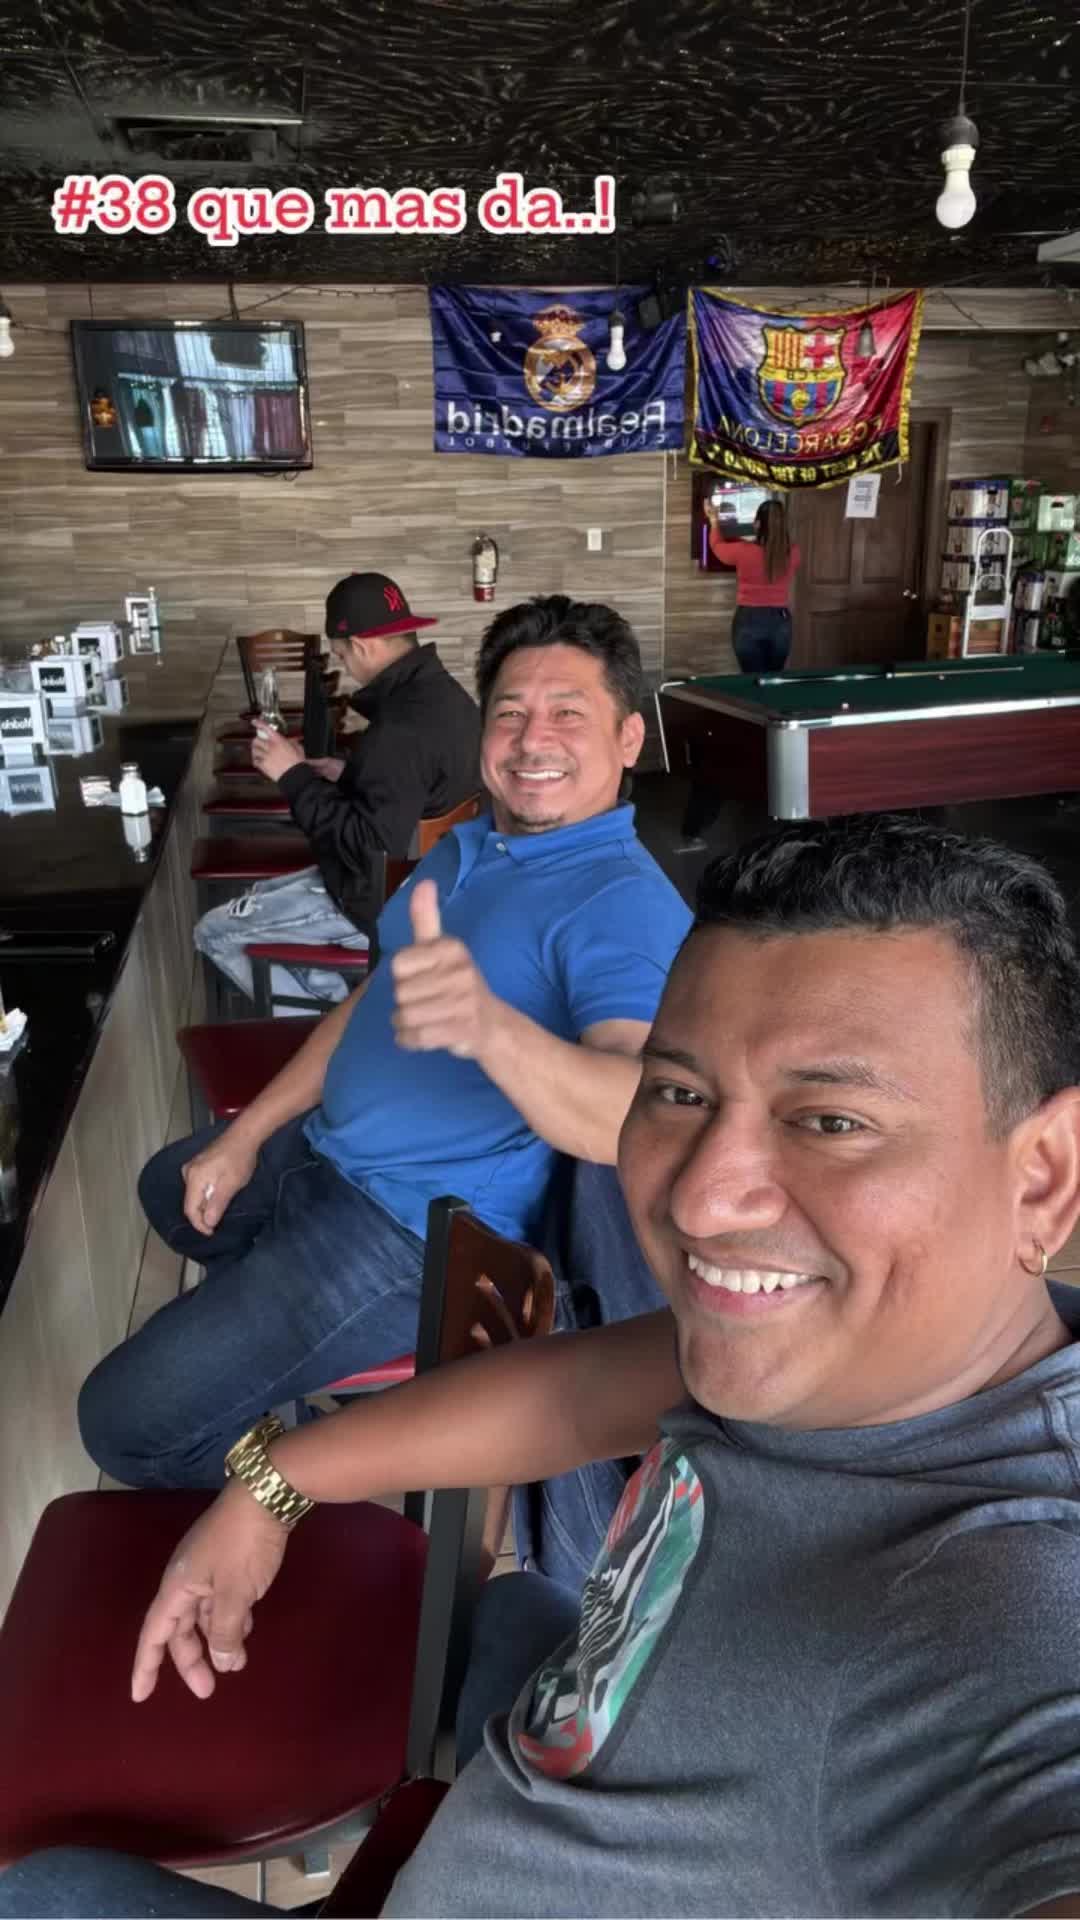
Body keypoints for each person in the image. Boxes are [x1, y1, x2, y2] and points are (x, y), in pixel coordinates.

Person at [11, 814, 1080, 1919]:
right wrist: (273, 1483)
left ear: (1044, 1178)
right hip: (559, 1765)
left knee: (41, 1894)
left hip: (396, 1226)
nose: (701, 1199)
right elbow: (574, 1394)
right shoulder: (868, 1356)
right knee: (519, 1602)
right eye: (680, 1095)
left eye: (833, 1120)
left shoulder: (1007, 1600)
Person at [76, 596, 692, 1492]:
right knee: (170, 1187)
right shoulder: (478, 843)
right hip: (325, 1152)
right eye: (511, 713)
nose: (533, 740)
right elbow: (372, 999)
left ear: (629, 738)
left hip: (405, 1231)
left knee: (123, 1423)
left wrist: (489, 1026)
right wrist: (248, 1134)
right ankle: (271, 1365)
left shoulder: (621, 904)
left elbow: (634, 1117)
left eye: (570, 714)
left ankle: (290, 1494)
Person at [194, 571, 482, 1006]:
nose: (345, 666)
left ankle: (328, 1032)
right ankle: (327, 996)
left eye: (343, 655)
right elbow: (412, 791)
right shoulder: (445, 698)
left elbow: (365, 847)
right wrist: (345, 773)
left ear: (362, 646)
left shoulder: (398, 728)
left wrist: (293, 776)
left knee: (213, 931)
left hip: (380, 901)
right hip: (431, 882)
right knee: (256, 896)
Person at [678, 495, 801, 849]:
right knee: (772, 688)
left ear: (758, 523)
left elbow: (717, 548)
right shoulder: (793, 554)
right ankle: (770, 752)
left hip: (748, 623)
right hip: (780, 623)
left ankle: (752, 749)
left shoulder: (745, 552)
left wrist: (714, 519)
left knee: (752, 687)